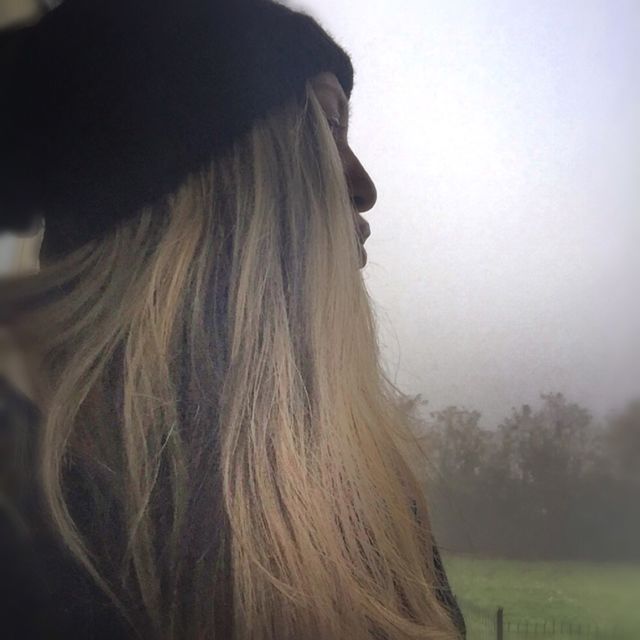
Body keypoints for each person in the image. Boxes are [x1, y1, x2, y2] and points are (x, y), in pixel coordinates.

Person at [0, 0, 467, 638]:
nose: (364, 185)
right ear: (205, 189)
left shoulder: (378, 507)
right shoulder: (31, 533)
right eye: (329, 125)